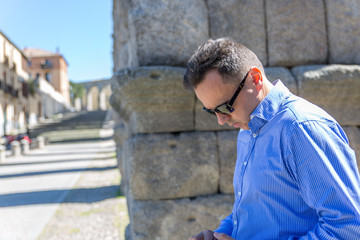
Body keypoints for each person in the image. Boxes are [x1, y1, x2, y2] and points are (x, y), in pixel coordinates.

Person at [183, 38, 360, 240]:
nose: (221, 120)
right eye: (211, 111)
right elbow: (255, 210)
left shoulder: (301, 128)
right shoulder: (247, 129)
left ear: (255, 78)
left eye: (225, 107)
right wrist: (220, 234)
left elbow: (349, 228)